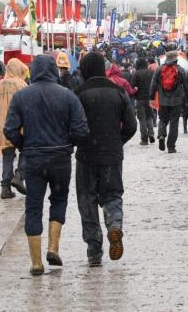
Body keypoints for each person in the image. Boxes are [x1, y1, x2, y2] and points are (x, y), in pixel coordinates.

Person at [4, 55, 89, 276]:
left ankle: (36, 262)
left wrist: (25, 146)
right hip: (60, 159)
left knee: (33, 207)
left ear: (33, 71)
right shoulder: (68, 96)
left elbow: (9, 129)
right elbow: (81, 130)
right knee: (59, 200)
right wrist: (68, 144)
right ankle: (53, 247)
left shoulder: (22, 97)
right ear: (54, 70)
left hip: (33, 160)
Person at [74, 53, 137, 266]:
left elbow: (72, 126)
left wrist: (80, 141)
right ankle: (114, 226)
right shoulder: (118, 92)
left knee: (87, 200)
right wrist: (117, 141)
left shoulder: (79, 94)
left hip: (86, 156)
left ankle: (94, 250)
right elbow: (131, 125)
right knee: (113, 194)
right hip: (112, 155)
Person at [0, 58, 28, 199]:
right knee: (26, 151)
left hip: (1, 128)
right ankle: (19, 175)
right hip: (19, 127)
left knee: (7, 156)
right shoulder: (22, 85)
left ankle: (5, 188)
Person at [149, 51, 188, 153]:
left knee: (162, 119)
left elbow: (153, 84)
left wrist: (151, 97)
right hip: (176, 101)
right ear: (176, 58)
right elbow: (186, 87)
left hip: (163, 100)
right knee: (174, 123)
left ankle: (161, 135)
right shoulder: (180, 70)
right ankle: (171, 147)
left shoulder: (159, 69)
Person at [131, 58, 155, 145]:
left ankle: (144, 139)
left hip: (140, 99)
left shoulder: (136, 73)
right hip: (149, 98)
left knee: (142, 119)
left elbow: (132, 86)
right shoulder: (151, 72)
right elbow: (155, 85)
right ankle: (151, 133)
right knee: (149, 117)